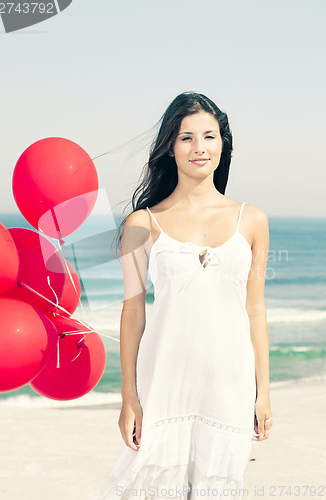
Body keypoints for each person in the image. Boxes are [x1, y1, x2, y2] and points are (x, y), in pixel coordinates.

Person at [99, 92, 272, 500]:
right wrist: (129, 399)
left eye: (209, 137)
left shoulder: (253, 220)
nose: (199, 148)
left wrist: (262, 391)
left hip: (228, 385)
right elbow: (133, 314)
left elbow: (255, 310)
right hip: (164, 384)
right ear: (170, 148)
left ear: (222, 145)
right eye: (186, 138)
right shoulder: (144, 223)